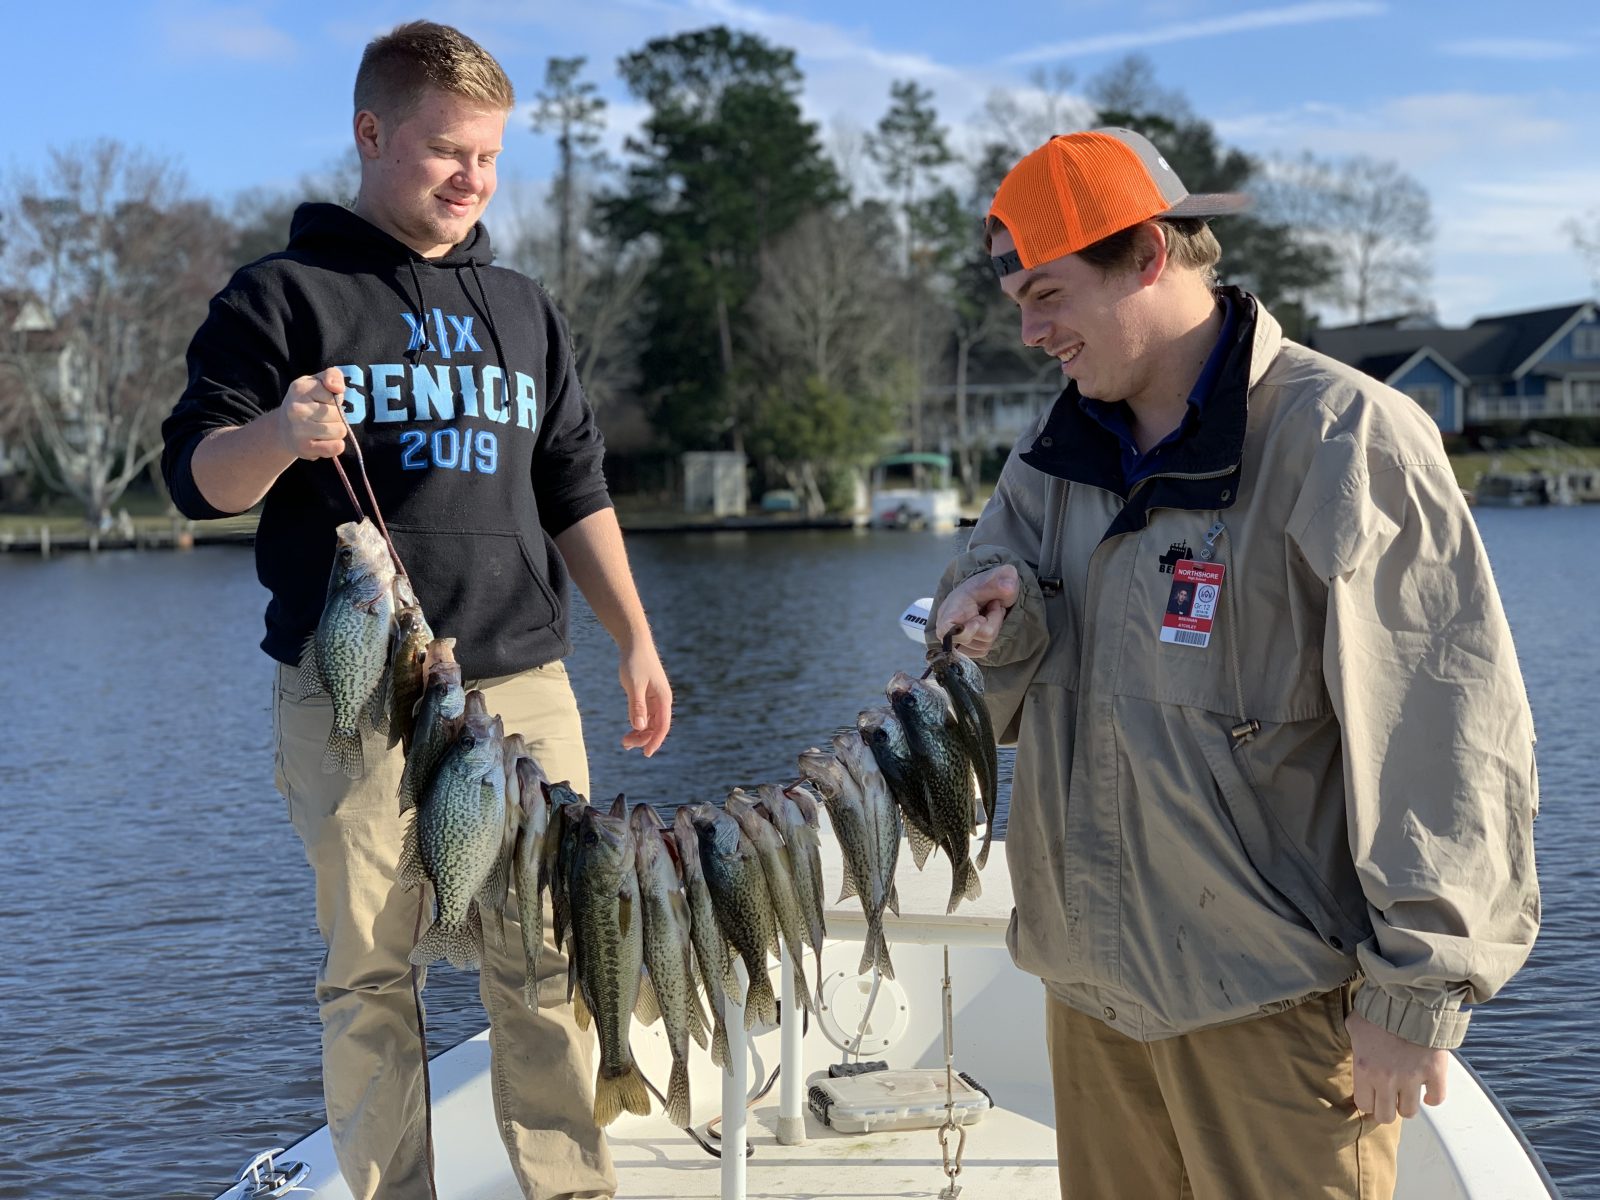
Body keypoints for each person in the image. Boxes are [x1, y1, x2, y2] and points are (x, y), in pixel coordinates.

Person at [932, 128, 1539, 1200]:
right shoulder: (1051, 456)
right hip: (1090, 1003)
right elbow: (982, 636)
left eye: (1048, 295)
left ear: (1149, 258)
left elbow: (1445, 738)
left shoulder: (1347, 439)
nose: (1029, 333)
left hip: (1277, 1015)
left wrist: (1415, 996)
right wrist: (987, 624)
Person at [161, 22, 670, 1200]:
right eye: (446, 151)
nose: (471, 180)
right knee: (372, 973)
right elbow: (196, 479)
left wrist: (633, 636)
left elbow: (573, 486)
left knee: (549, 956)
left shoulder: (523, 306)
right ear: (371, 132)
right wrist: (281, 438)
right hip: (355, 695)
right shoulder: (279, 297)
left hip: (523, 682)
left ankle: (571, 1189)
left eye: (488, 159)